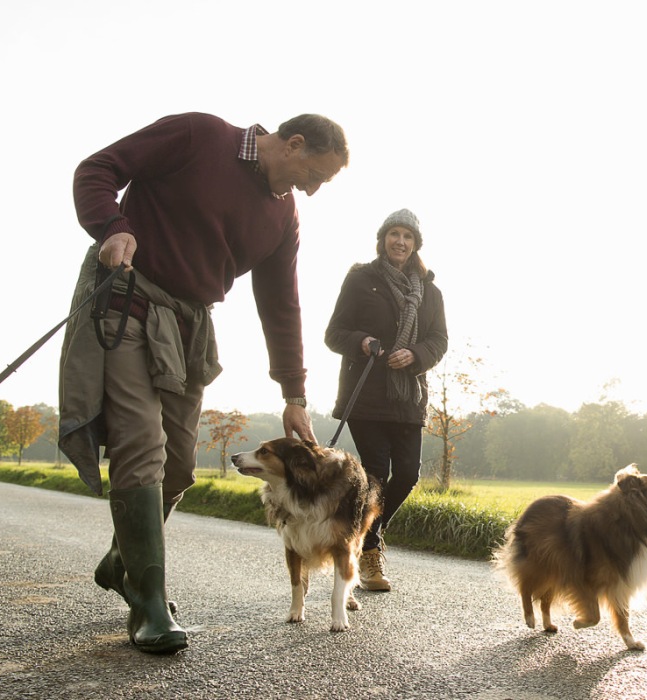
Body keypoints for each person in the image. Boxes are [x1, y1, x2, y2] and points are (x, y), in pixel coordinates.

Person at [58, 112, 348, 654]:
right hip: (127, 299)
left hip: (189, 326)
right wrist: (113, 226)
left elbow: (280, 305)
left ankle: (124, 563)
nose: (310, 190)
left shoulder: (282, 216)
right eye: (314, 175)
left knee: (180, 466)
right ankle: (148, 603)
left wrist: (293, 393)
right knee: (140, 445)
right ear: (293, 143)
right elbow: (97, 169)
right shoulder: (200, 136)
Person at [324, 208, 448, 591]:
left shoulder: (430, 291)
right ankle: (371, 554)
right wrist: (362, 342)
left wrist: (415, 355)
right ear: (383, 239)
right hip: (366, 394)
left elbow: (439, 341)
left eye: (407, 237)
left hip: (408, 397)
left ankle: (363, 532)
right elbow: (334, 333)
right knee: (376, 471)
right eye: (394, 234)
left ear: (415, 245)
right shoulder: (361, 280)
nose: (400, 242)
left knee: (408, 473)